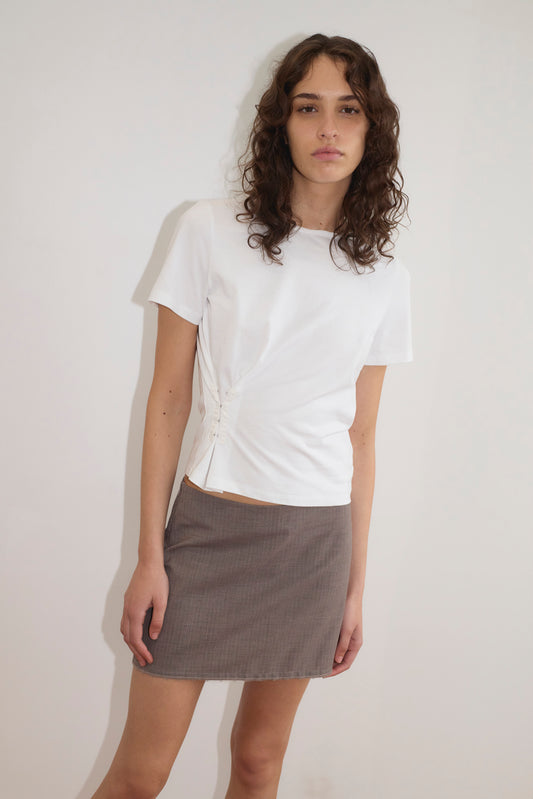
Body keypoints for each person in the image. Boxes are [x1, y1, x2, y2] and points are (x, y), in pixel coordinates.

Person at [91, 32, 413, 799]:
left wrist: (353, 586)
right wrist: (149, 555)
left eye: (348, 110)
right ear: (281, 123)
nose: (328, 129)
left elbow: (360, 436)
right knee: (140, 776)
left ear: (373, 131)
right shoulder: (208, 230)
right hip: (207, 531)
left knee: (257, 764)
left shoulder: (382, 276)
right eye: (308, 108)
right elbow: (167, 398)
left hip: (313, 546)